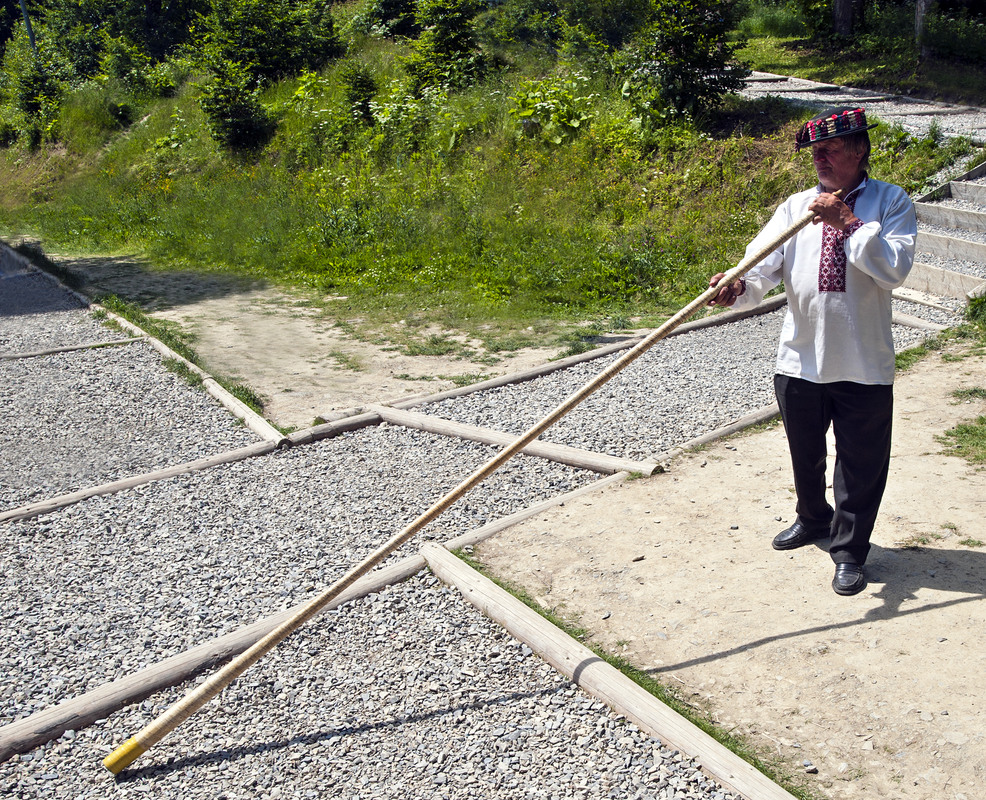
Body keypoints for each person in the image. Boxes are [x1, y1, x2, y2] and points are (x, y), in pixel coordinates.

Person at [707, 107, 917, 596]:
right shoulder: (796, 206)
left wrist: (848, 222)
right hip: (799, 358)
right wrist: (737, 285)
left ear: (860, 150)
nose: (819, 158)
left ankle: (849, 552)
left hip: (863, 363)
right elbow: (760, 265)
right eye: (814, 151)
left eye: (831, 148)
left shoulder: (891, 202)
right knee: (805, 452)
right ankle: (813, 519)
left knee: (860, 464)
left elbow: (893, 269)